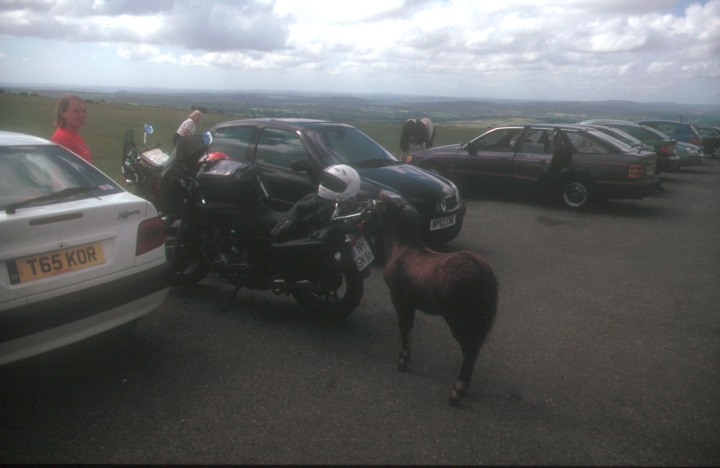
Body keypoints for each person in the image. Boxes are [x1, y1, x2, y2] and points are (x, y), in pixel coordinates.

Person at [51, 94, 92, 163]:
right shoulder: (62, 138)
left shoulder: (74, 134)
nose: (81, 115)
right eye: (76, 111)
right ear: (63, 113)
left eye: (83, 111)